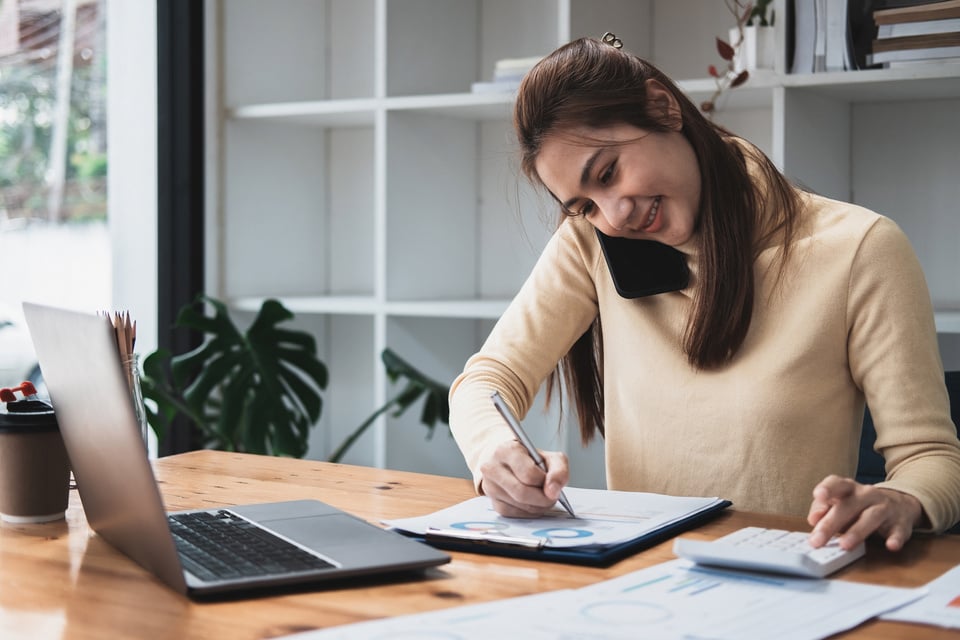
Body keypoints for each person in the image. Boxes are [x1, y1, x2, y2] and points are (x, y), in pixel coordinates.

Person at [447, 34, 960, 553]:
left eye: (608, 173)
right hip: (639, 586)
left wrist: (899, 500)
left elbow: (930, 457)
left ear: (662, 108)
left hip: (787, 590)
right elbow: (487, 380)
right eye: (585, 205)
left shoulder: (859, 249)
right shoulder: (592, 244)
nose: (614, 215)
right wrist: (495, 451)